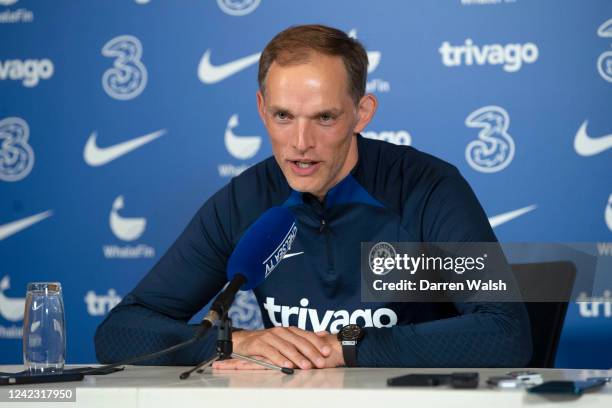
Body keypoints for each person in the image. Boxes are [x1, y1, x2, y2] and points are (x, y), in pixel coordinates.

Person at [95, 24, 532, 369]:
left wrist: (349, 346)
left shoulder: (428, 186)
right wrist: (235, 342)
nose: (300, 142)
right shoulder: (245, 198)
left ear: (363, 113)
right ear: (262, 109)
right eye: (283, 116)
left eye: (324, 117)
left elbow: (506, 332)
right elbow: (119, 332)